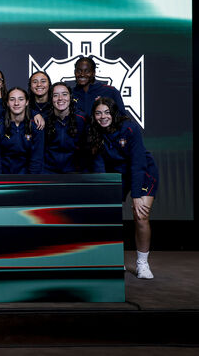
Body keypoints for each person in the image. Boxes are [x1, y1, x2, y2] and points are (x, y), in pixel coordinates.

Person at [87, 97, 158, 279]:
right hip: (117, 175)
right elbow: (99, 165)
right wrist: (105, 192)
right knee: (109, 214)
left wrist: (136, 195)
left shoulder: (130, 128)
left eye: (107, 112)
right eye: (98, 113)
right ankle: (115, 259)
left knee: (140, 215)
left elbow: (137, 163)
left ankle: (142, 263)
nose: (103, 117)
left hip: (142, 173)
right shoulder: (94, 131)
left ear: (114, 113)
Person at [0, 87, 44, 174]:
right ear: (7, 103)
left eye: (21, 99)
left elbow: (37, 157)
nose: (16, 103)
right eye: (12, 99)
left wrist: (31, 182)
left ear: (27, 102)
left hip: (27, 177)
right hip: (4, 176)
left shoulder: (36, 126)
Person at [43, 82, 87, 174]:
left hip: (75, 171)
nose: (60, 98)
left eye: (64, 94)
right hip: (49, 171)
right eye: (55, 95)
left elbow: (87, 150)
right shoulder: (44, 120)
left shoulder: (81, 119)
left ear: (70, 97)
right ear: (51, 99)